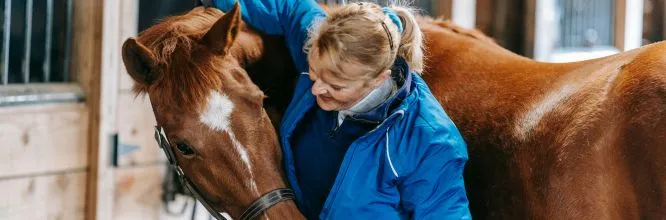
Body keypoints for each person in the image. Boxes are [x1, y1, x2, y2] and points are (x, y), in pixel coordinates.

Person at [202, 0, 471, 219]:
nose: (316, 89)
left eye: (336, 87)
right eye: (314, 73)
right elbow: (290, 8)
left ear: (379, 78)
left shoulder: (431, 141)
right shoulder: (327, 46)